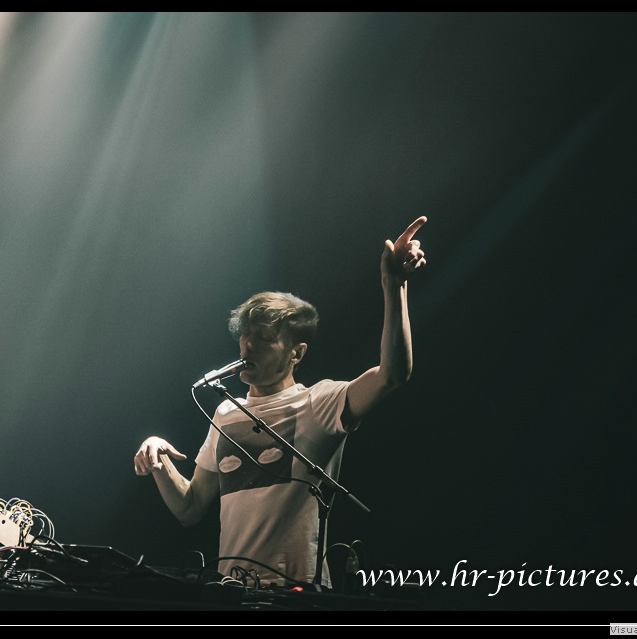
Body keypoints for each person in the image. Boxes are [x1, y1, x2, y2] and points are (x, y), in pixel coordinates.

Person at [133, 216, 428, 589]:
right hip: (231, 592)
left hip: (297, 594)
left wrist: (393, 285)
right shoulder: (225, 413)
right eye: (245, 335)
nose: (248, 345)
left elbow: (391, 375)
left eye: (264, 337)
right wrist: (158, 458)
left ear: (296, 353)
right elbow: (189, 508)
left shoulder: (319, 402)